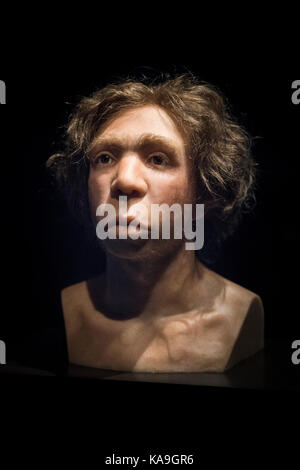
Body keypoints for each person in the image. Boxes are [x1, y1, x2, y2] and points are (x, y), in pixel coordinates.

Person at [47, 74, 264, 373]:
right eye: (105, 158)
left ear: (206, 192)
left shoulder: (240, 316)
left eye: (158, 159)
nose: (124, 180)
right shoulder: (64, 312)